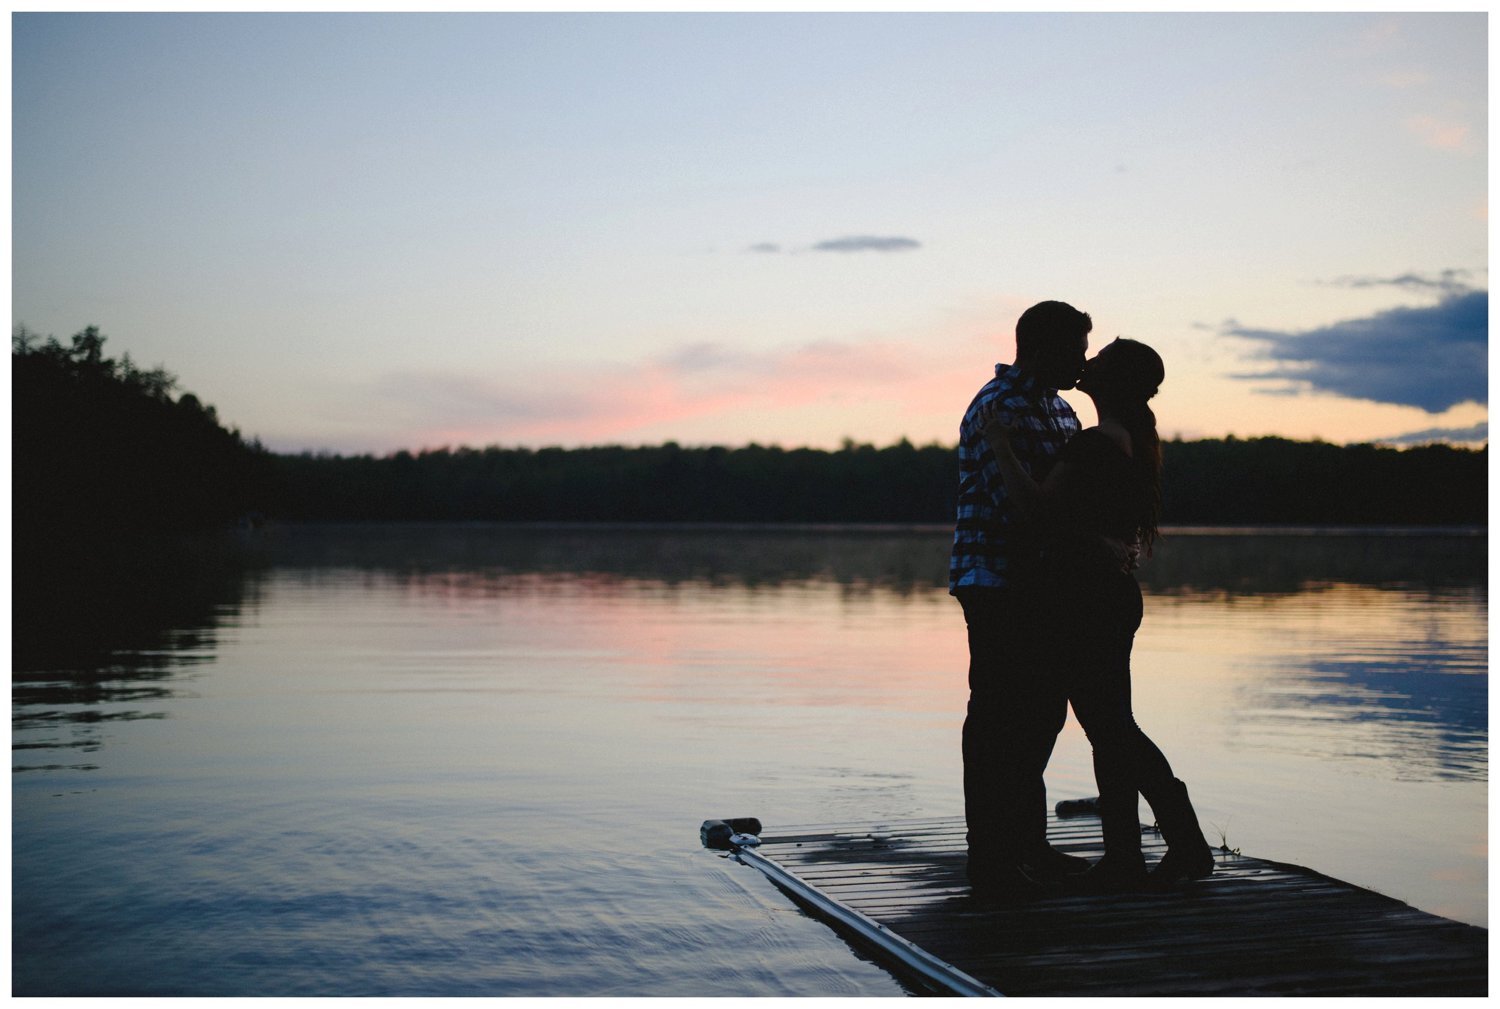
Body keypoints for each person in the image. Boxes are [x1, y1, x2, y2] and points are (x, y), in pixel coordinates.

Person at [980, 337, 1215, 893]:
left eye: (1098, 361)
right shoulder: (1132, 438)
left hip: (1084, 600)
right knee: (1109, 730)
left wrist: (1001, 447)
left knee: (1112, 729)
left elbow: (1037, 510)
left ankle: (1184, 843)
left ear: (1110, 382)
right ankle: (1127, 856)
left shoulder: (1095, 444)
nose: (1085, 364)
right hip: (1104, 595)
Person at [949, 300, 1095, 900]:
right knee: (998, 718)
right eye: (1076, 349)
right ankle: (992, 856)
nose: (1083, 361)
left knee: (1040, 716)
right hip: (995, 581)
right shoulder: (998, 406)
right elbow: (1023, 509)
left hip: (1042, 585)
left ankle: (1028, 846)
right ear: (1041, 348)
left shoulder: (1059, 409)